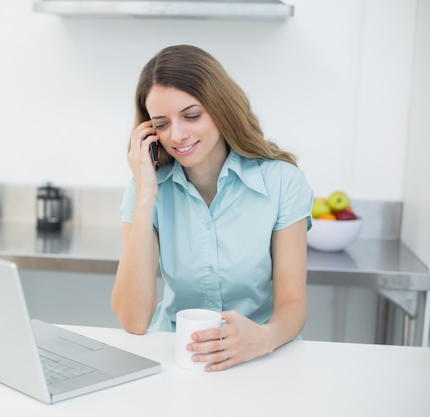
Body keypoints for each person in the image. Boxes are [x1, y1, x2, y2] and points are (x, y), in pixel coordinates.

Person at [111, 45, 313, 372]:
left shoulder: (282, 182)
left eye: (192, 116)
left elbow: (293, 303)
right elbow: (133, 320)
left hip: (261, 356)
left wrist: (263, 338)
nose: (177, 135)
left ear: (220, 109)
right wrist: (146, 193)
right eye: (161, 124)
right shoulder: (146, 187)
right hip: (176, 356)